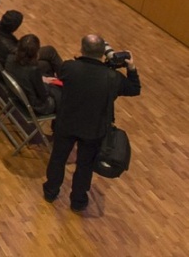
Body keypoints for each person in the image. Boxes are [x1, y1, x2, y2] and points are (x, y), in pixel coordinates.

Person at [43, 34, 140, 212]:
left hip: (67, 123)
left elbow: (65, 75)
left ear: (82, 49)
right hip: (94, 129)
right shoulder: (112, 77)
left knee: (58, 158)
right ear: (103, 53)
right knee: (85, 165)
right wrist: (131, 67)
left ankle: (50, 191)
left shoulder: (69, 68)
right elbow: (135, 89)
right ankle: (78, 201)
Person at [5, 34, 61, 115]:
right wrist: (45, 82)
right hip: (36, 106)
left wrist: (41, 79)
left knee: (47, 66)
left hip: (15, 95)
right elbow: (44, 95)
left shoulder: (9, 58)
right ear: (36, 52)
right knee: (64, 93)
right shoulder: (33, 71)